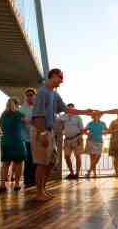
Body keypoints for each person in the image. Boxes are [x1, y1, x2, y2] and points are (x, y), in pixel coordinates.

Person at [31, 68, 93, 201]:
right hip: (41, 130)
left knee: (51, 162)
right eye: (60, 77)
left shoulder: (54, 94)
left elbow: (65, 109)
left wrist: (85, 112)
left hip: (50, 131)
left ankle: (43, 189)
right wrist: (41, 134)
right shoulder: (42, 92)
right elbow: (37, 115)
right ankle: (38, 192)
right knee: (42, 163)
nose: (62, 81)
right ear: (53, 76)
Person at [0, 98, 27, 192]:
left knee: (5, 164)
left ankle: (2, 184)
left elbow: (2, 128)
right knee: (19, 163)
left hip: (6, 140)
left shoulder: (3, 115)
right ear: (17, 105)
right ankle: (16, 184)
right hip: (17, 141)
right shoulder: (19, 114)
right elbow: (29, 122)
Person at [60, 104, 85, 180]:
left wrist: (80, 138)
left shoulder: (78, 117)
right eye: (68, 108)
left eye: (72, 108)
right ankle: (71, 173)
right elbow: (59, 126)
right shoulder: (63, 117)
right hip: (67, 139)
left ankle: (77, 173)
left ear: (74, 109)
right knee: (66, 156)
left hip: (77, 138)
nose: (70, 110)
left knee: (78, 156)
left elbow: (82, 129)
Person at [19, 88, 36, 186]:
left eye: (31, 95)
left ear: (34, 96)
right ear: (25, 97)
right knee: (28, 160)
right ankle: (27, 180)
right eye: (28, 95)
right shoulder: (21, 109)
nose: (30, 96)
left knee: (36, 160)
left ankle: (35, 179)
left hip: (37, 138)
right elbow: (19, 122)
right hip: (26, 138)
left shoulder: (38, 107)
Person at [85, 113, 107, 178]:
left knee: (98, 156)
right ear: (92, 117)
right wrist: (87, 134)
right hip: (91, 141)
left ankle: (89, 171)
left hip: (99, 141)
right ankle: (94, 173)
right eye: (94, 116)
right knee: (92, 158)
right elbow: (84, 130)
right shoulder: (90, 123)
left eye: (97, 115)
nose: (96, 116)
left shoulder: (103, 123)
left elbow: (107, 130)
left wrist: (105, 132)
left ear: (99, 116)